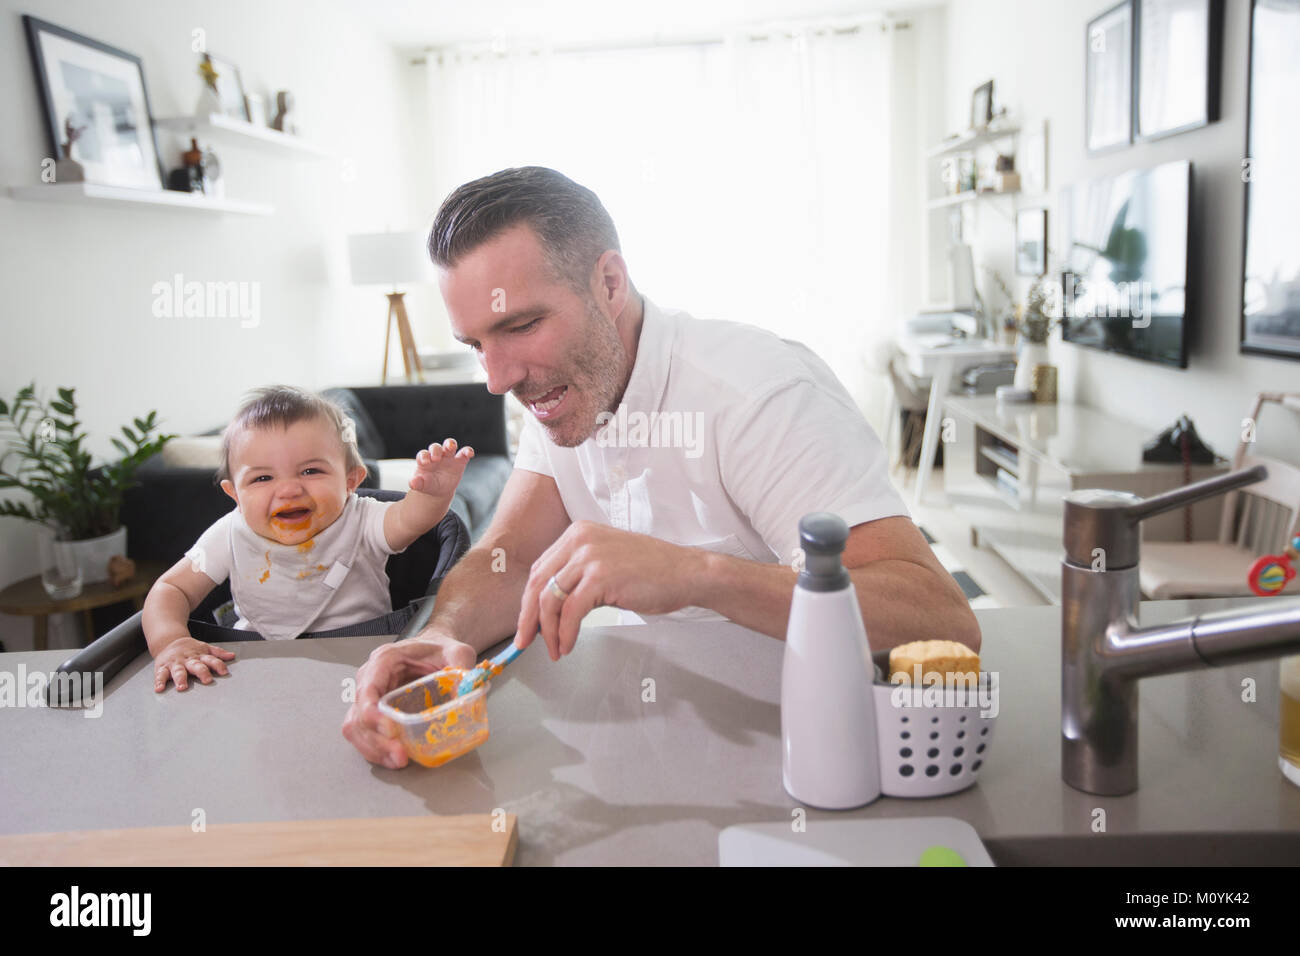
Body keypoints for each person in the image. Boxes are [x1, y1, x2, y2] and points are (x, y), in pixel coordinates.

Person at [343, 166, 980, 769]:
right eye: (478, 344)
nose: (498, 378)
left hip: (814, 751)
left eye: (522, 325)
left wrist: (697, 575)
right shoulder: (561, 394)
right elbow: (507, 556)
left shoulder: (758, 396)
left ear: (610, 284)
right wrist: (441, 636)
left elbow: (939, 617)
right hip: (665, 738)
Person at [143, 385, 473, 692]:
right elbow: (172, 589)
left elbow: (408, 520)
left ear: (350, 480)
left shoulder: (362, 519)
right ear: (235, 495)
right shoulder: (230, 534)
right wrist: (172, 642)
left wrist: (432, 497)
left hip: (362, 666)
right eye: (262, 477)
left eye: (310, 471)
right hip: (256, 672)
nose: (288, 490)